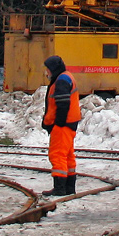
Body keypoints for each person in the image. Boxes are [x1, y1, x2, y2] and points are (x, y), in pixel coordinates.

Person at [41, 55, 81, 196]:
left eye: (48, 69)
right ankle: (70, 187)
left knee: (57, 155)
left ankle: (60, 188)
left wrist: (57, 123)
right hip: (70, 123)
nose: (47, 72)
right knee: (68, 156)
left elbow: (62, 103)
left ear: (53, 69)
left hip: (62, 124)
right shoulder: (66, 77)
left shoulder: (62, 80)